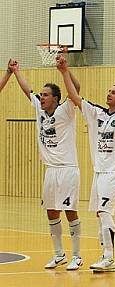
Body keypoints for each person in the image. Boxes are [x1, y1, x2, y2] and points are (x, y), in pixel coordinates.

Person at [58, 55, 115, 273]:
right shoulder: (96, 112)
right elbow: (74, 97)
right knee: (100, 214)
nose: (111, 94)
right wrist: (64, 72)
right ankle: (104, 255)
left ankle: (109, 257)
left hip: (113, 171)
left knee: (105, 211)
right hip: (99, 173)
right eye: (110, 92)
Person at [7, 58, 82, 270]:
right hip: (51, 171)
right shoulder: (40, 110)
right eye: (42, 95)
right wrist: (16, 71)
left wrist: (64, 71)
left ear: (56, 99)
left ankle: (77, 255)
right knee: (51, 212)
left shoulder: (66, 110)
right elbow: (27, 90)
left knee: (70, 211)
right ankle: (59, 254)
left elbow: (76, 88)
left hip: (67, 169)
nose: (42, 98)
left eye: (46, 95)